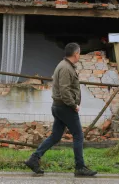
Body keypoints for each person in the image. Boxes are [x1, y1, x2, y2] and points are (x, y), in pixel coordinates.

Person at [24, 43, 97, 177]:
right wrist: (73, 105)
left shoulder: (65, 66)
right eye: (79, 53)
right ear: (76, 54)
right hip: (65, 107)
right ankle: (80, 167)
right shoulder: (65, 68)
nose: (79, 55)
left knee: (55, 136)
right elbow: (64, 90)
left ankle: (34, 159)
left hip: (60, 107)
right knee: (78, 135)